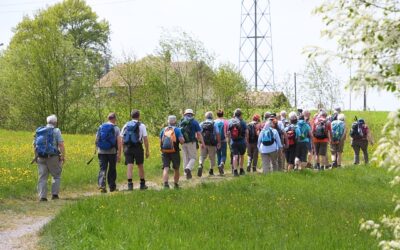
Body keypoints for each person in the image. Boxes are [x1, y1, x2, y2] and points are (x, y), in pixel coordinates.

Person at [33, 115, 65, 201]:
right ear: (55, 122)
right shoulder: (56, 130)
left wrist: (35, 156)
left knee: (42, 177)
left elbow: (34, 145)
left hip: (40, 156)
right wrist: (62, 156)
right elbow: (61, 144)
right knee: (56, 175)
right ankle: (54, 195)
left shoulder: (39, 130)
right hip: (53, 157)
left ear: (47, 122)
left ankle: (42, 197)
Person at [121, 109, 150, 190]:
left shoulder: (126, 125)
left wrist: (124, 149)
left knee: (129, 166)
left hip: (128, 147)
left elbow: (122, 138)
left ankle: (130, 185)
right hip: (138, 147)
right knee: (140, 165)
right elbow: (145, 139)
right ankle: (142, 184)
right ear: (139, 116)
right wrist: (147, 150)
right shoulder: (142, 125)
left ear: (131, 116)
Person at [95, 112, 122, 193]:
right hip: (112, 152)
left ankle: (102, 186)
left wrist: (96, 149)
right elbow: (119, 142)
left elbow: (96, 139)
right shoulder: (116, 128)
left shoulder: (101, 127)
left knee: (102, 168)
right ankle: (112, 187)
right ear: (114, 119)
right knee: (112, 169)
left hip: (101, 152)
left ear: (108, 118)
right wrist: (119, 154)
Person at [160, 115, 185, 189]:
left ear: (168, 121)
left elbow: (160, 141)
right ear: (175, 121)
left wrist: (162, 149)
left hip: (165, 151)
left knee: (166, 168)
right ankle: (176, 184)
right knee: (176, 168)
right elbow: (182, 141)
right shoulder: (177, 130)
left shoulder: (163, 130)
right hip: (175, 151)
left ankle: (165, 184)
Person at [179, 109, 205, 179]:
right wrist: (202, 143)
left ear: (185, 114)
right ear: (192, 114)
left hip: (183, 142)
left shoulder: (181, 121)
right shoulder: (194, 122)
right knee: (193, 157)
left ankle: (186, 173)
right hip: (192, 142)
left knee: (185, 157)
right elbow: (199, 134)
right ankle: (188, 168)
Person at [198, 111, 221, 176]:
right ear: (212, 117)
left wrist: (200, 142)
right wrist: (219, 142)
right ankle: (211, 170)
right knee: (212, 157)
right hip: (212, 143)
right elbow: (217, 134)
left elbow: (198, 134)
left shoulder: (201, 123)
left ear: (205, 117)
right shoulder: (214, 123)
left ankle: (200, 165)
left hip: (203, 142)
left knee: (202, 156)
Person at [228, 108, 248, 176]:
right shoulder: (243, 122)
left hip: (233, 141)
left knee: (235, 156)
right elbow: (246, 132)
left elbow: (228, 132)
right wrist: (246, 140)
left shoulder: (230, 122)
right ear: (240, 115)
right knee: (242, 155)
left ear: (234, 114)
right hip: (241, 141)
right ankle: (241, 170)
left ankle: (235, 171)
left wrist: (230, 139)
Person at [214, 109, 229, 174]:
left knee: (218, 154)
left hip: (216, 140)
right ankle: (222, 163)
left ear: (217, 115)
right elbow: (228, 131)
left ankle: (220, 169)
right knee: (224, 154)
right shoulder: (226, 122)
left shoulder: (214, 122)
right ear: (223, 114)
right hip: (224, 140)